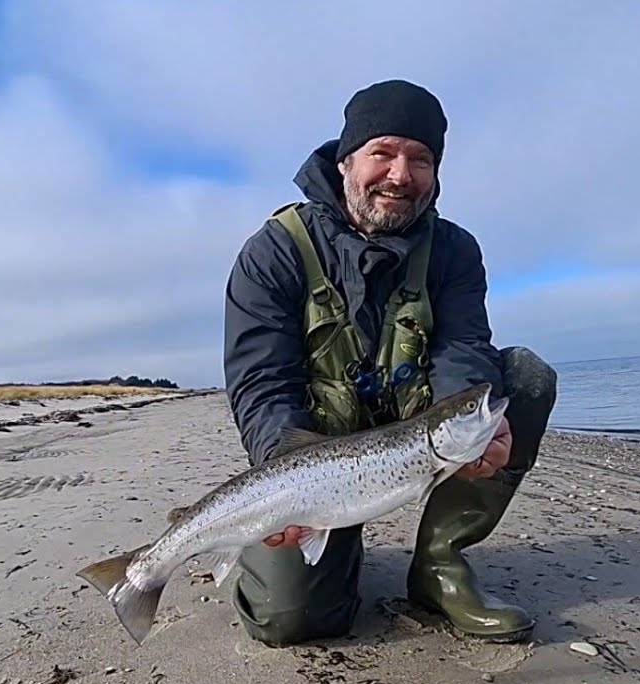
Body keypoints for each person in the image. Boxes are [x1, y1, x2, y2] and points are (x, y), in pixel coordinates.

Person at [222, 78, 557, 647]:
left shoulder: (454, 250)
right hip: (315, 456)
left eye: (420, 159)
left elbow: (463, 347)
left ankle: (439, 566)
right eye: (383, 152)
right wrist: (284, 474)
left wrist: (480, 423)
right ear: (346, 160)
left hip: (416, 431)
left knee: (522, 377)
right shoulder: (274, 251)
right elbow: (262, 382)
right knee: (290, 621)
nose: (401, 175)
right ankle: (325, 552)